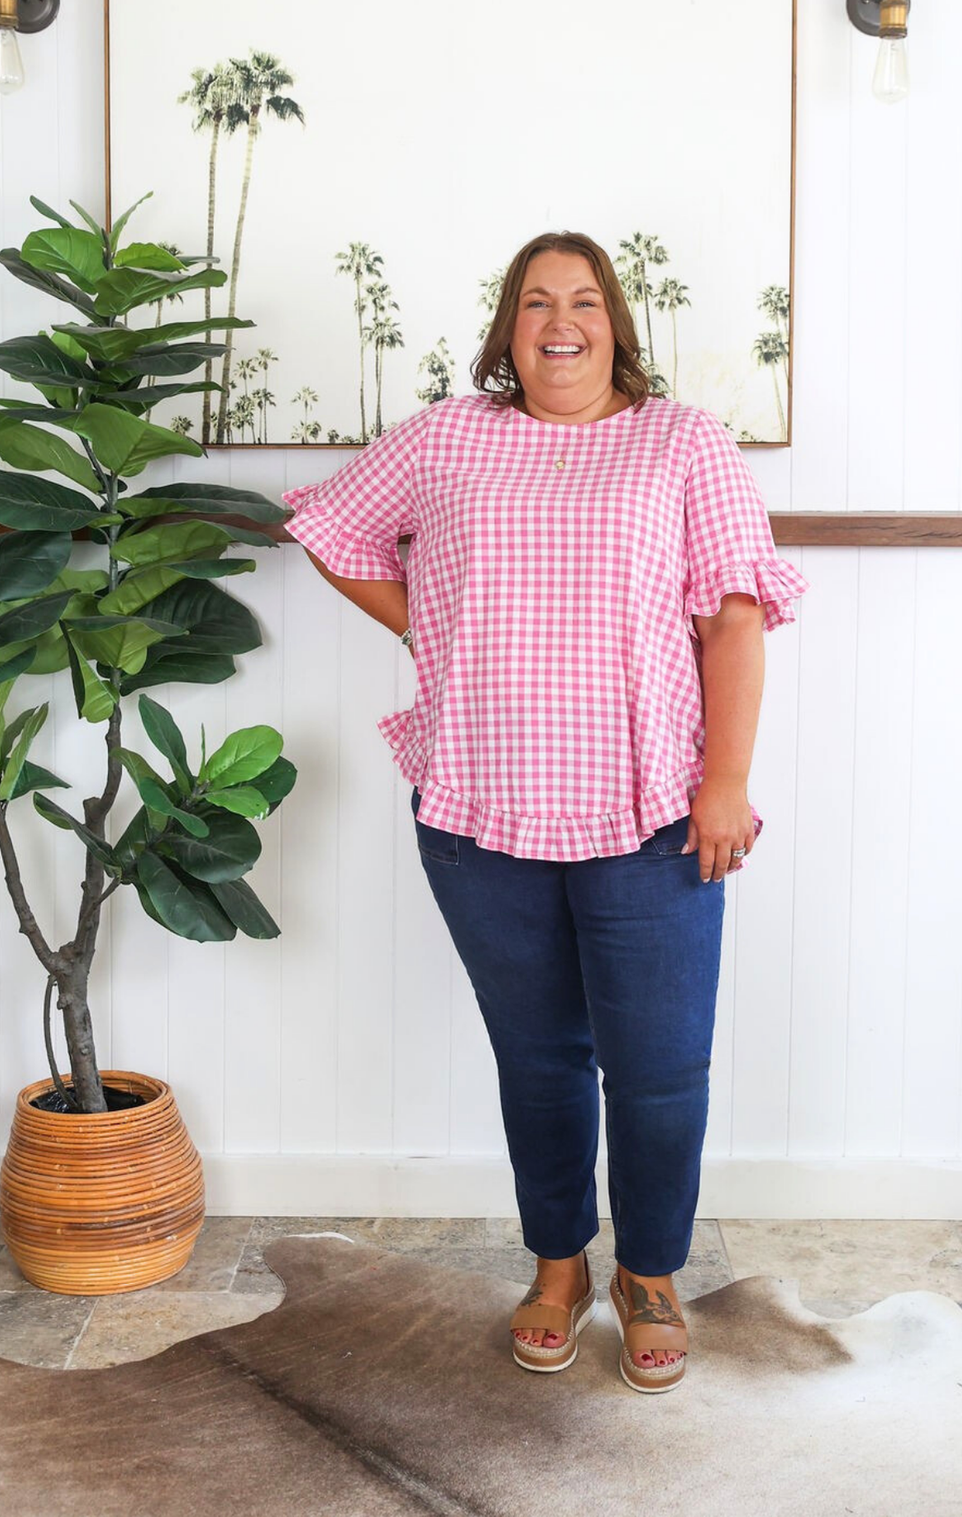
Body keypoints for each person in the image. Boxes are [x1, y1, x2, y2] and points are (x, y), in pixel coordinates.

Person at [280, 230, 808, 1394]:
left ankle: (652, 1270)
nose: (558, 322)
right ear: (507, 329)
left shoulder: (684, 443)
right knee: (541, 1060)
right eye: (534, 303)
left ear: (616, 322)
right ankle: (560, 1263)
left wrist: (725, 782)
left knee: (661, 1069)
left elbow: (733, 617)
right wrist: (433, 627)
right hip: (479, 811)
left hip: (655, 815)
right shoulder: (450, 438)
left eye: (580, 301)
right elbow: (330, 527)